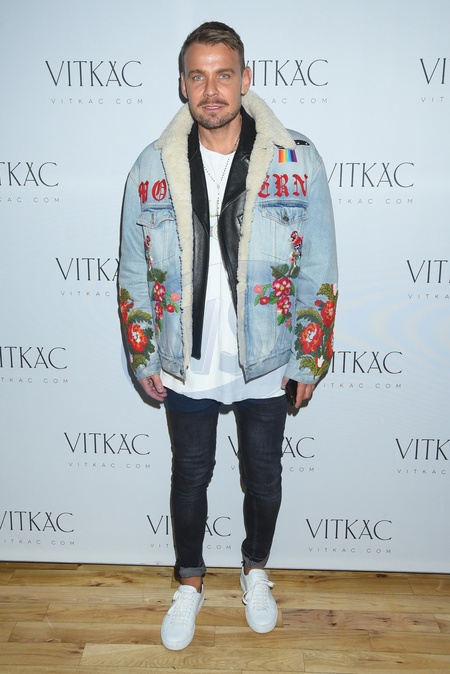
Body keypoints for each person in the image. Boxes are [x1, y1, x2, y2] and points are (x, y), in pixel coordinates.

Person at [119, 21, 337, 651]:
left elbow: (319, 264)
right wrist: (143, 354)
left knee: (263, 478)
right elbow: (132, 271)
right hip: (185, 360)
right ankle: (189, 581)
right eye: (198, 76)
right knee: (190, 476)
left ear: (245, 79)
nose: (211, 90)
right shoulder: (151, 165)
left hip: (266, 358)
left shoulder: (296, 158)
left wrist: (309, 359)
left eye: (223, 75)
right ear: (182, 84)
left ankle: (255, 570)